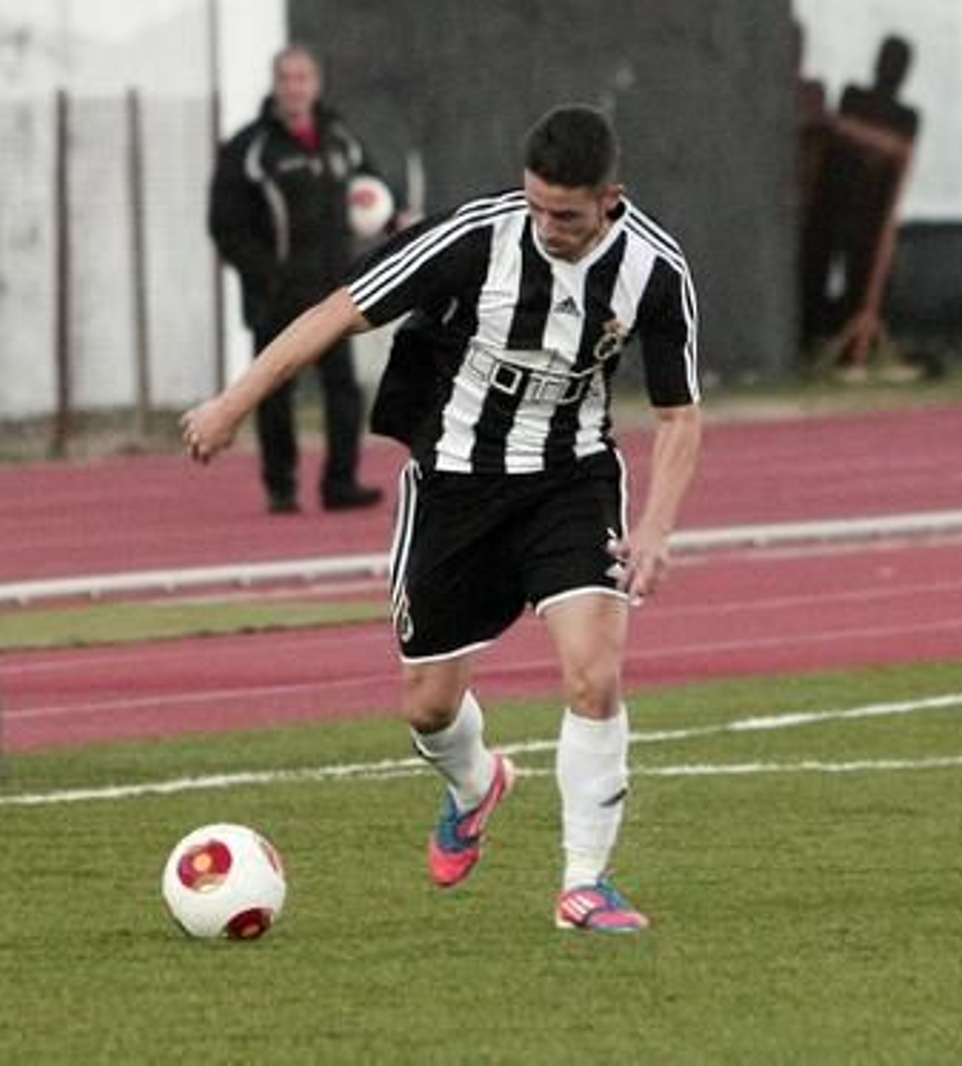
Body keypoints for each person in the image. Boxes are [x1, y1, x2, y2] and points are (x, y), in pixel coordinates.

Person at [183, 104, 703, 933]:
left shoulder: (655, 269)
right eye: (536, 206)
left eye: (565, 215)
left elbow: (679, 417)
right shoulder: (475, 236)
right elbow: (338, 312)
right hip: (455, 491)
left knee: (594, 673)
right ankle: (474, 784)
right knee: (427, 704)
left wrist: (656, 531)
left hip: (571, 483)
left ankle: (585, 885)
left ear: (611, 199)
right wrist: (233, 402)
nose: (546, 227)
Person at [208, 43, 386, 514]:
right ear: (276, 83)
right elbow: (225, 224)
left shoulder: (338, 139)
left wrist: (392, 213)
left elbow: (372, 190)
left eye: (303, 78)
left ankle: (341, 482)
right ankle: (281, 487)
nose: (295, 87)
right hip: (276, 296)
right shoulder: (250, 148)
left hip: (334, 293)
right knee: (273, 391)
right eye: (287, 78)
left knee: (344, 389)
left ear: (316, 82)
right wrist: (265, 277)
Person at [799, 34, 920, 381]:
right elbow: (837, 129)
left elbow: (898, 148)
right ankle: (809, 339)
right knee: (814, 270)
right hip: (836, 200)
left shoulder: (906, 115)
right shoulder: (855, 95)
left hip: (872, 212)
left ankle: (853, 348)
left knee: (862, 278)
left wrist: (855, 133)